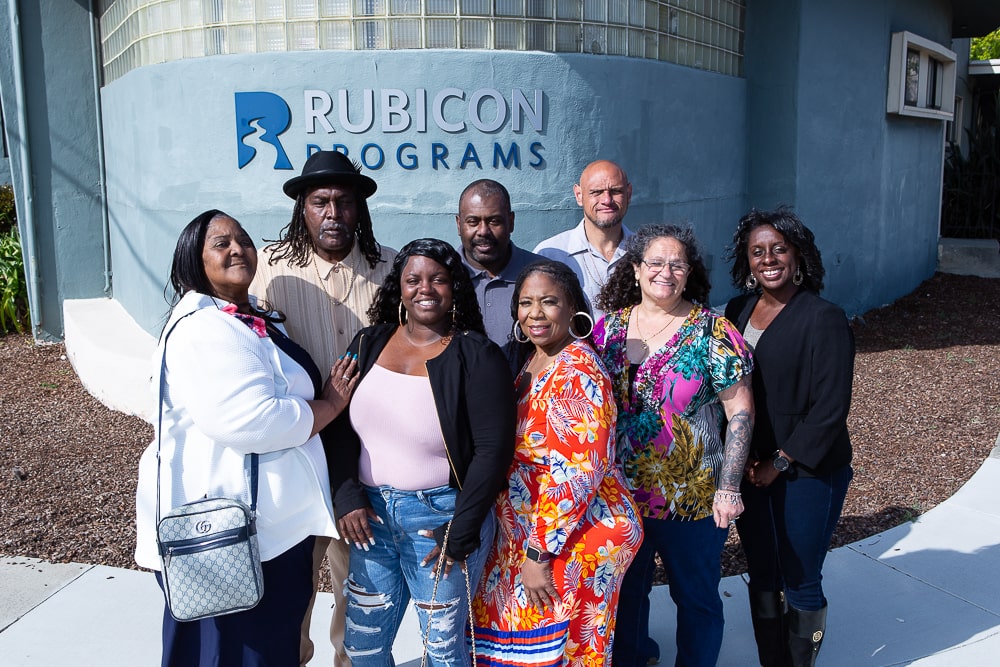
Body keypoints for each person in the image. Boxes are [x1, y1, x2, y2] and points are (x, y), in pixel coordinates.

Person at [134, 210, 358, 666]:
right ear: (194, 260)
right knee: (235, 651)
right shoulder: (206, 328)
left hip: (262, 530)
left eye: (243, 239)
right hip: (232, 532)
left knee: (260, 645)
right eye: (221, 243)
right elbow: (251, 420)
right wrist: (330, 406)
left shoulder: (247, 317)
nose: (237, 248)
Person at [326, 238, 515, 666]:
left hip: (440, 520)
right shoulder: (368, 342)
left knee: (443, 653)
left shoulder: (475, 355)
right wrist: (348, 496)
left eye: (438, 279)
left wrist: (462, 530)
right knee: (362, 645)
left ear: (455, 289)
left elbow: (492, 451)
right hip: (370, 520)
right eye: (413, 279)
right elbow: (337, 424)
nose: (425, 288)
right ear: (399, 288)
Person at [250, 149, 395, 666]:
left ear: (360, 209)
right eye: (320, 202)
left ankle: (347, 660)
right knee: (292, 583)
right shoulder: (267, 271)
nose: (333, 213)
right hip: (295, 445)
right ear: (302, 209)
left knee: (358, 576)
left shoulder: (392, 268)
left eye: (344, 201)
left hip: (365, 450)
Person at [593, 224, 755, 667]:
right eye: (656, 263)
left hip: (694, 498)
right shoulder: (609, 330)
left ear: (689, 274)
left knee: (697, 598)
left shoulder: (712, 332)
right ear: (636, 268)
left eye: (677, 265)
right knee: (626, 596)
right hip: (622, 497)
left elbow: (740, 412)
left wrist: (729, 487)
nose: (665, 272)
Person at [472, 260, 643, 667]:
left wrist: (538, 555)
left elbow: (578, 475)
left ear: (572, 308)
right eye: (526, 303)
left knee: (568, 652)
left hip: (577, 534)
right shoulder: (533, 361)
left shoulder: (578, 371)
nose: (536, 313)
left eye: (549, 302)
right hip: (538, 531)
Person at [724, 208, 854, 667]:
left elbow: (831, 408)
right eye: (757, 251)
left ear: (797, 255)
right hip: (750, 473)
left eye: (778, 248)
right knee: (762, 570)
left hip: (806, 473)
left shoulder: (824, 317)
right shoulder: (737, 310)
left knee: (800, 576)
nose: (768, 259)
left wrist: (778, 463)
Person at [533, 159, 634, 316]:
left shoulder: (647, 254)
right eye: (596, 192)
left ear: (629, 194)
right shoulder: (551, 255)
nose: (607, 200)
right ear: (579, 195)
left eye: (615, 191)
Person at [456, 178, 545, 345]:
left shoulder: (544, 276)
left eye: (494, 221)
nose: (483, 231)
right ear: (458, 224)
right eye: (473, 222)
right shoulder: (440, 278)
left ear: (511, 222)